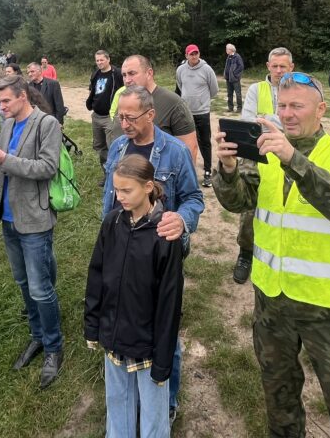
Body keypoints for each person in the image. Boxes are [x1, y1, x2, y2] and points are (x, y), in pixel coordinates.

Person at [212, 72, 330, 438]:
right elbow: (239, 202)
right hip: (273, 303)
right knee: (280, 402)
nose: (287, 114)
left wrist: (294, 159)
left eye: (297, 106)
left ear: (320, 110)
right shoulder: (267, 152)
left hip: (328, 311)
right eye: (282, 106)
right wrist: (227, 170)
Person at [102, 85, 203, 423]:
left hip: (160, 255)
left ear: (150, 115)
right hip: (122, 251)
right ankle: (131, 398)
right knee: (125, 318)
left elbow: (194, 199)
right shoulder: (117, 147)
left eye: (130, 117)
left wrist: (181, 219)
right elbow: (109, 202)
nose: (124, 123)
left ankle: (166, 398)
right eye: (121, 116)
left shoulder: (174, 151)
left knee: (163, 327)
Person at [0, 75, 65, 389]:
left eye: (6, 101)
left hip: (34, 218)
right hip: (8, 219)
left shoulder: (46, 124)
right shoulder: (8, 126)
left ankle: (54, 346)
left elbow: (47, 168)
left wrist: (6, 158)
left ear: (23, 96)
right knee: (23, 283)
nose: (1, 107)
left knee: (40, 288)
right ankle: (37, 337)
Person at [86, 156, 184, 438]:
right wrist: (93, 325)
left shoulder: (165, 236)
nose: (120, 197)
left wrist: (164, 359)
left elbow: (169, 303)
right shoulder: (111, 222)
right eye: (116, 190)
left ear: (148, 187)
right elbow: (96, 275)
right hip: (114, 337)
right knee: (117, 404)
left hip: (148, 347)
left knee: (154, 414)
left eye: (127, 190)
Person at [233, 46, 295, 285]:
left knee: (284, 206)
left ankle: (283, 255)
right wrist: (281, 124)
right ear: (268, 66)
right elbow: (249, 122)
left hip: (288, 156)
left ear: (291, 67)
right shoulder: (256, 90)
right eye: (275, 66)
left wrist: (267, 120)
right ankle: (245, 253)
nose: (279, 70)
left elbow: (301, 125)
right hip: (258, 155)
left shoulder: (299, 89)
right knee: (250, 207)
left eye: (283, 66)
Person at [109, 55, 198, 165]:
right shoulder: (125, 100)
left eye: (132, 73)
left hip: (156, 179)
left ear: (149, 73)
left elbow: (190, 151)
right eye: (124, 75)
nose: (127, 80)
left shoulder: (173, 103)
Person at [176, 44, 219, 186]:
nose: (194, 56)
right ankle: (188, 172)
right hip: (186, 113)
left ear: (199, 53)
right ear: (186, 55)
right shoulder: (181, 70)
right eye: (191, 54)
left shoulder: (207, 70)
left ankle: (207, 171)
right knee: (187, 143)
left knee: (205, 142)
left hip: (203, 112)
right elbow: (180, 86)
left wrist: (203, 101)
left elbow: (214, 90)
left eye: (196, 53)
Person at [87, 50, 124, 165]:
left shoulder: (117, 73)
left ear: (108, 59)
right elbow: (92, 90)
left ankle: (116, 172)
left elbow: (126, 90)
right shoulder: (95, 74)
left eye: (101, 60)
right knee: (100, 146)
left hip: (110, 116)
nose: (99, 62)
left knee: (113, 146)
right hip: (97, 115)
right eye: (97, 60)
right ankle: (106, 172)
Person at [223, 43, 245, 113]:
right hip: (228, 78)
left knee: (238, 94)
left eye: (227, 49)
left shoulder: (237, 56)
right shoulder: (228, 57)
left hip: (235, 79)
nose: (226, 50)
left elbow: (241, 66)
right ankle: (230, 108)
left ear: (231, 50)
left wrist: (235, 74)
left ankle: (239, 108)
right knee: (229, 94)